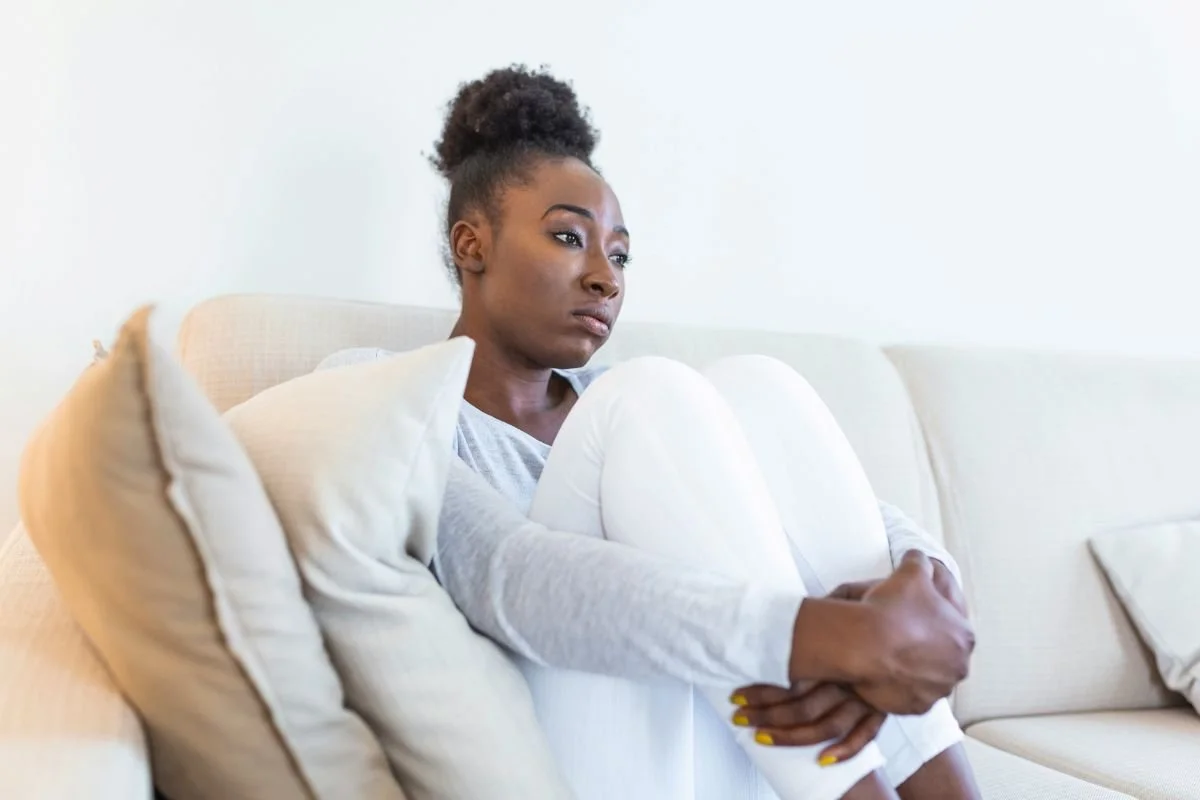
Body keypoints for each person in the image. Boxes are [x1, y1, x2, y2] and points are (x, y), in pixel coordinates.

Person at [340, 65, 981, 800]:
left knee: (756, 386)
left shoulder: (633, 408)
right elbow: (503, 576)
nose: (605, 278)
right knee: (651, 391)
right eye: (567, 238)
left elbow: (878, 528)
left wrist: (928, 592)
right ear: (471, 243)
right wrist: (818, 636)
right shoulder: (383, 385)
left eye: (618, 254)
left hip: (719, 734)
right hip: (557, 751)